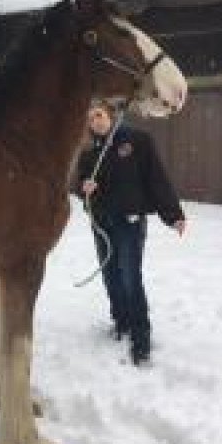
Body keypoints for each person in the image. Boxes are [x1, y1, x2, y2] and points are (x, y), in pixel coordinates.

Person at [75, 100, 186, 366]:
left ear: (111, 115)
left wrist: (173, 215)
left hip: (130, 222)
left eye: (99, 115)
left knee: (130, 278)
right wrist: (84, 188)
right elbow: (79, 184)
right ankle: (121, 322)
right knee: (111, 277)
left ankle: (141, 338)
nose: (95, 122)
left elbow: (156, 179)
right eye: (90, 119)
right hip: (102, 223)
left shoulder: (137, 140)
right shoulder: (88, 148)